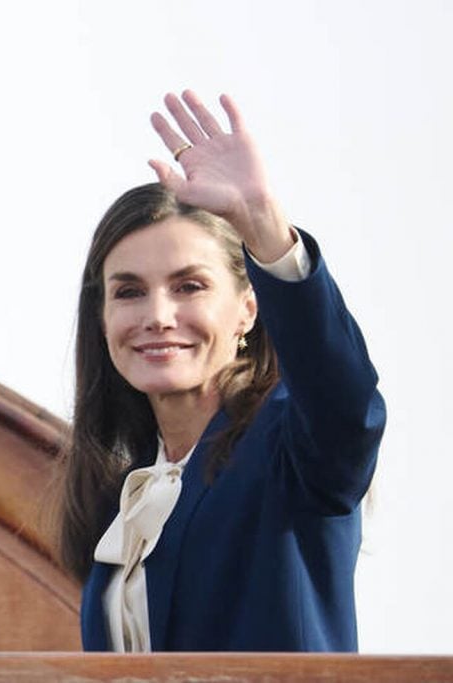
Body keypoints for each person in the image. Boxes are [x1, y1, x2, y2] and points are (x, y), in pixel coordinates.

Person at [54, 90, 385, 652]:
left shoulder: (290, 449)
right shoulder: (125, 492)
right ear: (103, 316)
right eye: (129, 292)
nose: (158, 316)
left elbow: (346, 405)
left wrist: (266, 229)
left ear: (248, 308)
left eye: (190, 287)